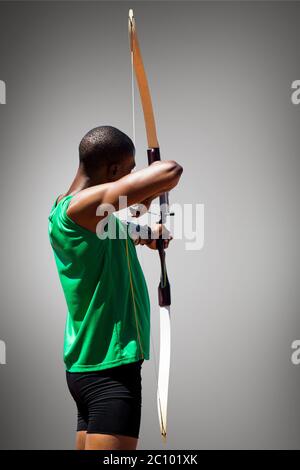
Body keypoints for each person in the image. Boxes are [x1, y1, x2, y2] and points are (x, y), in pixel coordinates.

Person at [48, 126, 183, 450]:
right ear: (112, 171)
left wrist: (149, 233)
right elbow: (170, 171)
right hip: (110, 369)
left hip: (88, 369)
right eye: (128, 169)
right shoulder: (79, 207)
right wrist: (152, 181)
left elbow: (121, 226)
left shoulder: (69, 210)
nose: (132, 175)